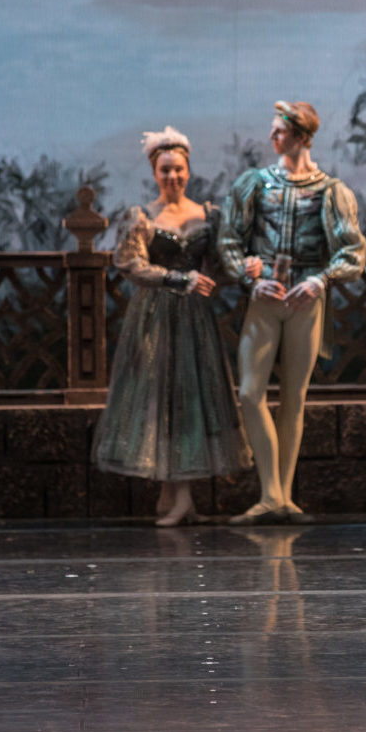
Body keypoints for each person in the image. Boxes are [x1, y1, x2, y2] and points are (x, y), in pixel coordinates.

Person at [93, 127, 254, 526]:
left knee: (190, 400)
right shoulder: (143, 216)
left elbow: (219, 268)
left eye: (179, 169)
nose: (173, 176)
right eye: (165, 170)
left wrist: (245, 269)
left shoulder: (208, 216)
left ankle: (180, 498)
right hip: (156, 317)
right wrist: (178, 279)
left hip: (194, 320)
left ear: (188, 169)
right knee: (161, 399)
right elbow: (130, 263)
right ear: (154, 172)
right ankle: (176, 496)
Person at [218, 101, 366, 525]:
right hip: (266, 295)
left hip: (305, 299)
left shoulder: (330, 190)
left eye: (280, 131)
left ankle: (281, 498)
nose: (272, 137)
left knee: (294, 398)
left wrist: (321, 279)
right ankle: (271, 494)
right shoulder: (256, 183)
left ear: (301, 137)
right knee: (250, 393)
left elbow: (353, 250)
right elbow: (229, 238)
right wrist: (249, 276)